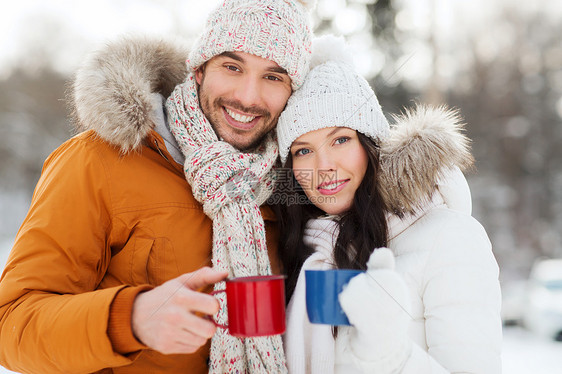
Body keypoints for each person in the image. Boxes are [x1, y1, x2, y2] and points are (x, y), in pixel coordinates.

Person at [0, 1, 315, 373]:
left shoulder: (292, 181)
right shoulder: (98, 160)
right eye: (232, 67)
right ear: (198, 70)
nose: (248, 97)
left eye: (274, 77)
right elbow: (11, 326)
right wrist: (129, 319)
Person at [274, 36, 502, 373]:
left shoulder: (450, 238)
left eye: (340, 140)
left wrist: (391, 354)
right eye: (303, 150)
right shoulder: (302, 252)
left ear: (371, 145)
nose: (324, 165)